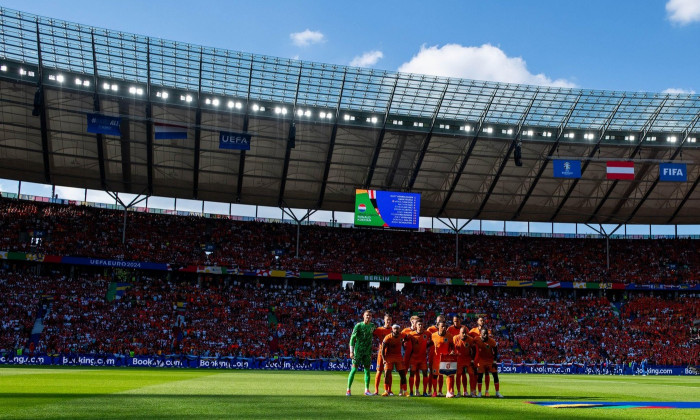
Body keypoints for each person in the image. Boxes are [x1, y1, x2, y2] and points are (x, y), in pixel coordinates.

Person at [347, 310, 375, 396]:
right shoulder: (358, 325)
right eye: (367, 315)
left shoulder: (373, 326)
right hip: (358, 351)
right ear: (363, 316)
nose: (368, 317)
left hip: (367, 351)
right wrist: (351, 352)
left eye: (370, 315)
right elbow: (352, 339)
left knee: (367, 370)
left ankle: (366, 390)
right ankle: (348, 390)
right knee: (354, 369)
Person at [404, 318, 431, 397]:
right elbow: (403, 341)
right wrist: (404, 345)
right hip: (414, 358)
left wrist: (426, 346)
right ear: (416, 325)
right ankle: (411, 391)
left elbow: (432, 342)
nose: (420, 326)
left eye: (422, 325)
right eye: (419, 324)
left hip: (423, 358)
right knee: (412, 374)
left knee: (425, 374)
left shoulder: (427, 333)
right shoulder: (411, 334)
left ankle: (425, 392)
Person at [474, 327, 503, 398]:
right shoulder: (477, 339)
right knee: (480, 376)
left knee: (495, 376)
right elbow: (471, 343)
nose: (485, 335)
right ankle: (479, 393)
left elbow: (496, 351)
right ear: (480, 334)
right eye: (484, 334)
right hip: (481, 360)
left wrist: (494, 361)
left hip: (490, 360)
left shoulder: (492, 341)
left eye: (486, 334)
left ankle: (497, 392)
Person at [430, 320, 456, 398]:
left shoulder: (449, 336)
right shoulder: (433, 335)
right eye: (442, 326)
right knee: (435, 376)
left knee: (448, 375)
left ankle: (448, 392)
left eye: (445, 326)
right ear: (438, 327)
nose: (444, 328)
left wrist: (452, 351)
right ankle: (434, 391)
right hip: (436, 359)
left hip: (446, 359)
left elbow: (452, 347)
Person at [381, 324, 408, 397]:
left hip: (398, 356)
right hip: (389, 356)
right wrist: (384, 359)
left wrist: (404, 343)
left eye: (397, 329)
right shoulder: (387, 337)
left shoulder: (402, 336)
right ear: (392, 329)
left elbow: (408, 338)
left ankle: (405, 391)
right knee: (387, 373)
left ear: (399, 329)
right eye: (395, 329)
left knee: (403, 374)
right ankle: (386, 391)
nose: (396, 330)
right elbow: (383, 349)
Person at [372, 314, 393, 395]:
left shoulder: (393, 329)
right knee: (379, 371)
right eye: (387, 320)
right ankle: (376, 391)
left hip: (390, 354)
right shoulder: (379, 329)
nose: (388, 321)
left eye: (390, 320)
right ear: (384, 320)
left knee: (388, 372)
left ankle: (389, 390)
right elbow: (371, 332)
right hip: (381, 354)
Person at [454, 325, 476, 397]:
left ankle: (472, 392)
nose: (464, 334)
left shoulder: (470, 339)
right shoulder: (455, 338)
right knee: (458, 375)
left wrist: (472, 359)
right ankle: (459, 392)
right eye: (463, 333)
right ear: (459, 332)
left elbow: (474, 350)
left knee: (471, 375)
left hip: (468, 359)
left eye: (465, 333)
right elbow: (452, 348)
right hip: (459, 359)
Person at [427, 315, 446, 395]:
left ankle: (440, 391)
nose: (441, 322)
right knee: (432, 373)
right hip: (432, 354)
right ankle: (430, 390)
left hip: (441, 355)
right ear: (436, 321)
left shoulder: (445, 330)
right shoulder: (430, 330)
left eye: (443, 321)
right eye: (439, 320)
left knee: (441, 374)